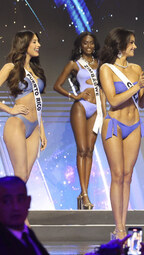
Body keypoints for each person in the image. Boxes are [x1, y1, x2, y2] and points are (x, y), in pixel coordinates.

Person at [99, 27, 144, 239]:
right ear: (120, 44)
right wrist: (136, 86)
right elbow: (113, 100)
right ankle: (119, 227)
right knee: (117, 175)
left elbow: (141, 103)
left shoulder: (137, 68)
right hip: (114, 124)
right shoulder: (106, 69)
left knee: (127, 176)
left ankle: (124, 223)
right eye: (131, 42)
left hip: (134, 125)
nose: (135, 46)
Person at [53, 32, 104, 210]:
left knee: (89, 151)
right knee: (82, 149)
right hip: (81, 107)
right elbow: (56, 85)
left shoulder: (101, 65)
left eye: (91, 43)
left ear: (94, 45)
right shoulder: (74, 64)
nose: (88, 46)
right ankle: (84, 194)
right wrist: (73, 95)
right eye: (85, 43)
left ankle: (84, 192)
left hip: (96, 109)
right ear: (80, 45)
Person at [0, 30, 47, 182]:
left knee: (24, 178)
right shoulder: (10, 67)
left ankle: (11, 206)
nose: (38, 45)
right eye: (34, 41)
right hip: (18, 123)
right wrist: (9, 109)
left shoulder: (35, 70)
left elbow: (37, 102)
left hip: (34, 127)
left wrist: (42, 130)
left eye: (37, 41)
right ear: (24, 44)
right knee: (19, 175)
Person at [0, 176, 49, 255]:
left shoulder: (27, 234)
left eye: (20, 199)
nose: (15, 207)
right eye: (7, 201)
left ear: (28, 201)